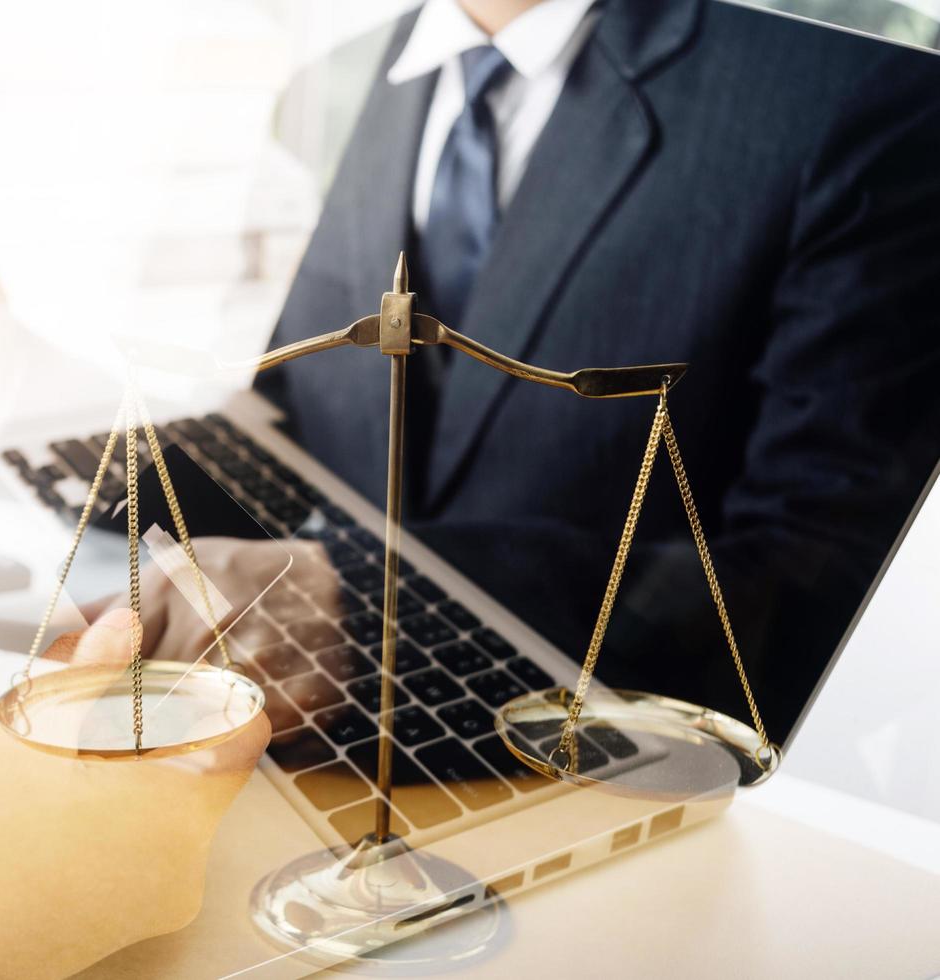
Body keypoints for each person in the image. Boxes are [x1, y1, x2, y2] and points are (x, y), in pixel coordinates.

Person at [257, 0, 940, 742]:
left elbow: (815, 576)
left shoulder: (861, 81)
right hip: (307, 727)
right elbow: (300, 399)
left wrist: (359, 602)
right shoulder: (351, 69)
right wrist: (126, 484)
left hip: (606, 762)